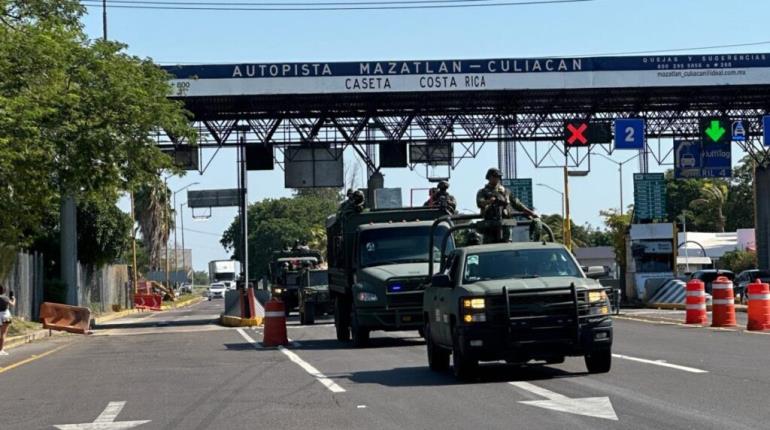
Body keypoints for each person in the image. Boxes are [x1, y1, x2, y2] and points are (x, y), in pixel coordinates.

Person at [476, 167, 538, 243]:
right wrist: (489, 201)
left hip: (505, 224)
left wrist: (531, 213)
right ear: (489, 177)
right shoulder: (483, 192)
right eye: (495, 176)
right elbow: (480, 203)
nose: (497, 179)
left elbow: (517, 204)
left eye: (499, 177)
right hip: (490, 225)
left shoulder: (506, 191)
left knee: (507, 245)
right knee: (490, 246)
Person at [0, 284, 16, 356]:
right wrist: (13, 299)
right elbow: (12, 304)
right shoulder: (5, 298)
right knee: (3, 333)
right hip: (6, 315)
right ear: (3, 291)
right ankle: (1, 350)